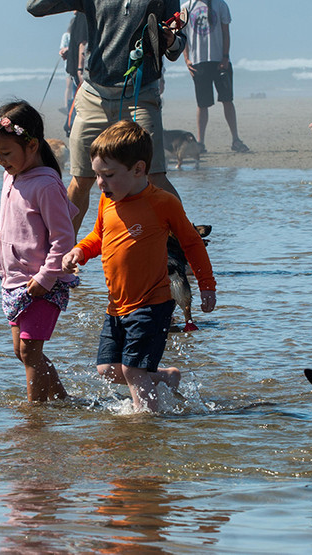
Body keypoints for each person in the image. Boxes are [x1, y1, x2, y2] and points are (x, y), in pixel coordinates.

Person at [61, 121, 217, 412]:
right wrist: (79, 251)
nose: (100, 183)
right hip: (116, 305)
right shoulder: (107, 202)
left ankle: (147, 425)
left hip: (152, 304)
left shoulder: (162, 203)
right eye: (96, 175)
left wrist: (206, 286)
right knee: (107, 369)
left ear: (138, 170)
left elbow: (192, 243)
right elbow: (99, 236)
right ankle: (164, 378)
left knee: (133, 371)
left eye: (108, 175)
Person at [27, 0, 188, 234]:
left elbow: (176, 47)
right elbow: (36, 8)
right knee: (82, 179)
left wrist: (171, 41)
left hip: (140, 95)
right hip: (94, 94)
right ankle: (59, 254)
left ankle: (185, 248)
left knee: (154, 175)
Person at [0, 100, 80, 403]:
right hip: (15, 280)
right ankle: (62, 401)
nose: (0, 160)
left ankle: (35, 417)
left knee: (30, 351)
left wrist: (47, 276)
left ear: (31, 146)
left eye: (6, 153)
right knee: (22, 352)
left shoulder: (47, 185)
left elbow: (64, 238)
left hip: (41, 283)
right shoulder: (12, 175)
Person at [180, 0, 248, 153]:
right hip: (199, 61)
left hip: (219, 61)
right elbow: (182, 35)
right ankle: (201, 142)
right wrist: (186, 59)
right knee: (202, 104)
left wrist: (225, 56)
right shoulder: (187, 7)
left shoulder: (220, 5)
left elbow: (226, 32)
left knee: (227, 100)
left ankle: (235, 139)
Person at [60, 12, 88, 136]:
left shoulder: (83, 15)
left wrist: (80, 69)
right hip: (75, 69)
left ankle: (72, 125)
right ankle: (71, 124)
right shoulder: (79, 17)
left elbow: (83, 44)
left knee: (79, 102)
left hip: (79, 71)